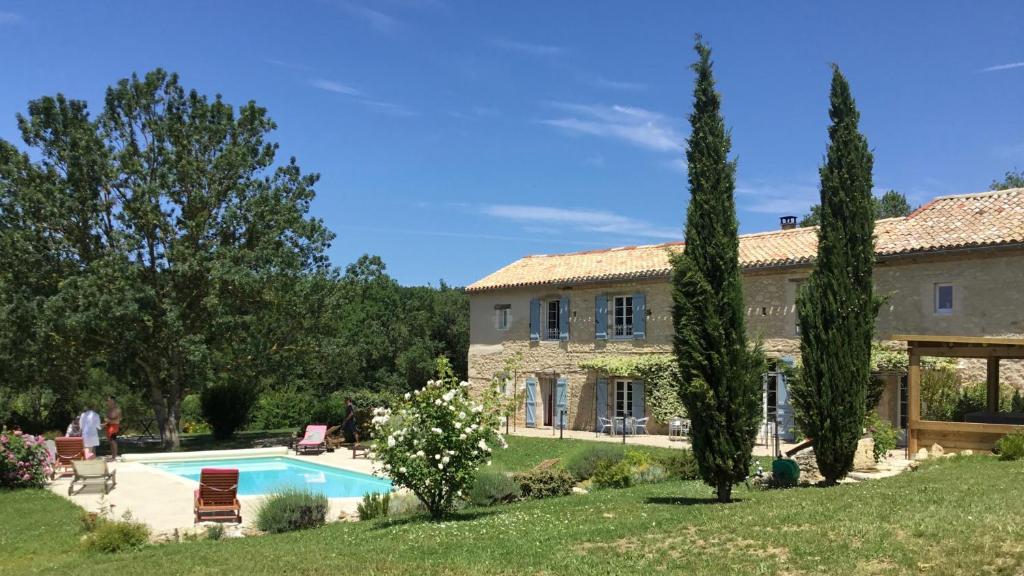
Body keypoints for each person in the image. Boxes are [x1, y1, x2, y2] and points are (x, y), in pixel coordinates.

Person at [104, 396, 122, 460]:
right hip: (108, 426)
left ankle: (114, 457)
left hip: (114, 427)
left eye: (109, 400)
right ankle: (113, 456)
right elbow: (107, 420)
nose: (107, 402)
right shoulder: (108, 410)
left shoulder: (117, 410)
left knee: (113, 441)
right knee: (110, 441)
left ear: (113, 401)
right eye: (107, 401)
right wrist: (103, 424)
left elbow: (118, 420)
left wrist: (109, 421)